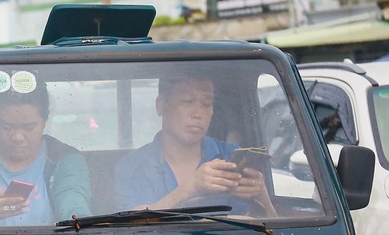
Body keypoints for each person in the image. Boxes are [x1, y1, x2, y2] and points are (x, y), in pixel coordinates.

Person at [114, 73, 276, 215]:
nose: (198, 114)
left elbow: (272, 234)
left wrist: (262, 196)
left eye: (206, 104)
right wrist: (189, 189)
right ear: (161, 106)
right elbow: (132, 230)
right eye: (187, 101)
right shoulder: (132, 166)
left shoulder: (232, 157)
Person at [0, 76, 91, 224]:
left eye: (29, 127)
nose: (17, 137)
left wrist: (78, 218)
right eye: (7, 127)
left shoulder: (64, 159)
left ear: (45, 120)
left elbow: (72, 196)